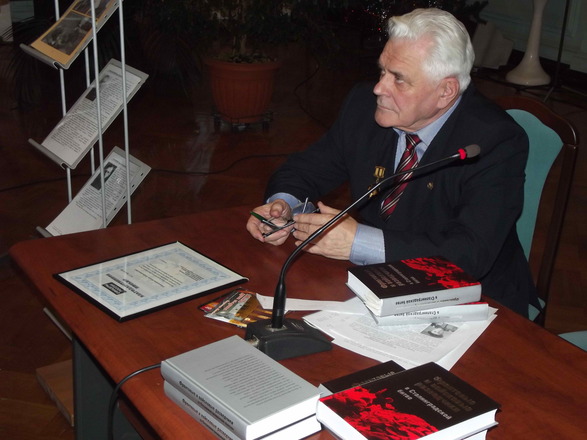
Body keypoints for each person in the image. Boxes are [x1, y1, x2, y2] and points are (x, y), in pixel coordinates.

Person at [246, 8, 538, 316]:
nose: (379, 88)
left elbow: (470, 252)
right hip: (376, 284)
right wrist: (283, 206)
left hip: (474, 301)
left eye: (398, 79)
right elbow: (307, 169)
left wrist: (358, 242)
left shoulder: (493, 141)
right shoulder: (363, 106)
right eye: (382, 71)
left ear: (445, 91)